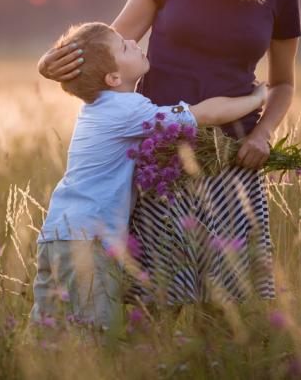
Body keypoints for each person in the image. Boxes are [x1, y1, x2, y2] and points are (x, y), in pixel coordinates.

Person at [38, 0, 301, 305]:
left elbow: (284, 83)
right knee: (156, 297)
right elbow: (110, 46)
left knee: (233, 299)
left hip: (233, 160)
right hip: (161, 158)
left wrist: (263, 133)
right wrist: (53, 62)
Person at [30, 21, 267, 331]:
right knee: (96, 335)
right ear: (113, 77)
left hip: (58, 234)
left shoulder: (98, 108)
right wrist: (258, 98)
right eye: (123, 46)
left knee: (50, 331)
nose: (132, 40)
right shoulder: (127, 109)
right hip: (89, 240)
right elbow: (205, 113)